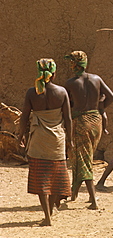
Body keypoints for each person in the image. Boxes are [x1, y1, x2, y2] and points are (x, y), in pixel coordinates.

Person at [18, 58, 73, 226]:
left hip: (38, 139)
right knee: (56, 176)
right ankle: (50, 211)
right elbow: (68, 119)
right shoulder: (62, 92)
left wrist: (20, 136)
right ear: (54, 74)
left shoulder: (31, 93)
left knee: (41, 177)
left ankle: (47, 216)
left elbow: (24, 117)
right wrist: (70, 140)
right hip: (57, 139)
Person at [64, 50, 113, 209]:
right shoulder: (96, 79)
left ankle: (93, 200)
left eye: (71, 62)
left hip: (81, 123)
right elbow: (111, 97)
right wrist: (100, 109)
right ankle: (74, 193)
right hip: (96, 123)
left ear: (74, 64)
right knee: (83, 157)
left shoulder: (71, 83)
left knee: (83, 160)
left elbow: (66, 106)